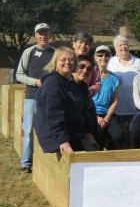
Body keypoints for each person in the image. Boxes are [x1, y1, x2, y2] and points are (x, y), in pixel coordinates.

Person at [34, 47, 99, 154]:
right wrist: (62, 140)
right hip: (56, 138)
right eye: (63, 59)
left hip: (74, 134)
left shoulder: (71, 84)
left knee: (95, 151)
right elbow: (53, 115)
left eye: (71, 59)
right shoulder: (52, 83)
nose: (67, 62)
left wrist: (88, 132)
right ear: (55, 62)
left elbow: (83, 111)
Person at [16, 23, 55, 173]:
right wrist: (35, 82)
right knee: (28, 130)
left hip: (50, 99)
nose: (43, 36)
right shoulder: (29, 52)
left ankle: (47, 161)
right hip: (32, 97)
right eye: (40, 33)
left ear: (49, 34)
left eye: (45, 33)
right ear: (36, 35)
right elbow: (19, 74)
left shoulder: (55, 52)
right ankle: (26, 162)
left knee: (48, 129)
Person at [92, 45, 123, 149]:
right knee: (97, 133)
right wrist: (96, 117)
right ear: (95, 57)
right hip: (91, 113)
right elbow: (84, 99)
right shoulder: (89, 75)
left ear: (110, 57)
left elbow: (115, 101)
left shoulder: (114, 78)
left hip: (107, 113)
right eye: (100, 55)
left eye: (106, 55)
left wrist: (106, 118)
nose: (103, 57)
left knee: (118, 135)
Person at [107, 35, 140, 126]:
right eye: (120, 45)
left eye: (125, 44)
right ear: (115, 48)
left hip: (135, 108)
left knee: (134, 135)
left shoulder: (138, 62)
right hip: (115, 109)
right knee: (120, 136)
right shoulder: (110, 62)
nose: (123, 47)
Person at [72, 31, 101, 95]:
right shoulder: (67, 60)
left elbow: (96, 84)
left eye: (86, 43)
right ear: (74, 44)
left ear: (90, 46)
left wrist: (90, 91)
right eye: (80, 42)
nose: (83, 45)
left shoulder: (93, 64)